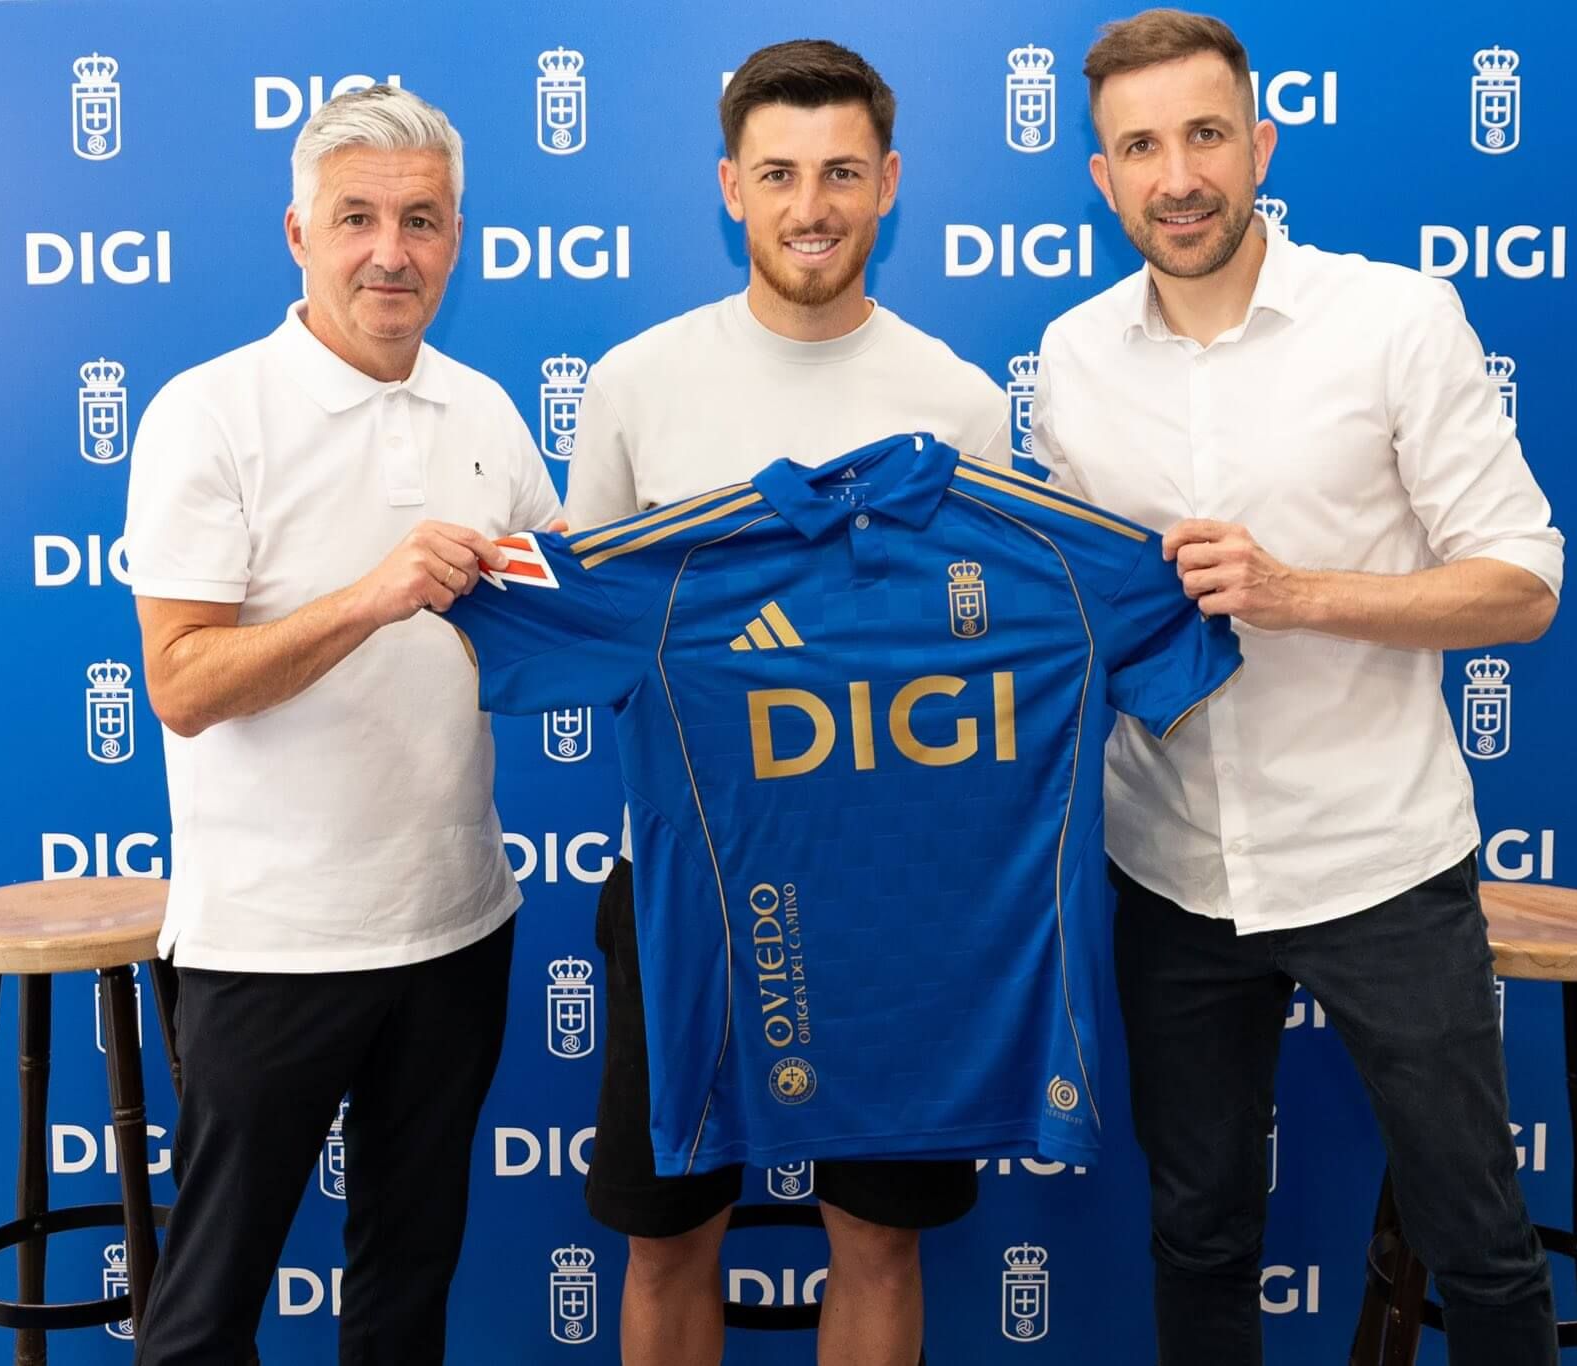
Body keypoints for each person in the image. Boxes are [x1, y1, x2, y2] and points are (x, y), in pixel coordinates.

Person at [1030, 11, 1565, 1365]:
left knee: (1480, 1241)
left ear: (1260, 143)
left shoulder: (1394, 318)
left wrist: (1299, 592)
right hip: (1169, 868)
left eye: (1206, 134)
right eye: (1140, 146)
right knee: (1199, 1230)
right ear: (1102, 178)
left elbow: (1523, 583)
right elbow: (1081, 610)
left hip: (1380, 861)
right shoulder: (1074, 357)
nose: (1178, 175)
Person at [561, 39, 1011, 1366]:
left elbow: (993, 654)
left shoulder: (960, 405)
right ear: (730, 188)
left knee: (876, 1234)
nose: (807, 203)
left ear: (887, 183)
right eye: (777, 173)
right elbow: (590, 633)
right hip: (682, 883)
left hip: (892, 899)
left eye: (836, 172)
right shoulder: (637, 384)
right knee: (666, 1233)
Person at [121, 84, 557, 1364]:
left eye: (420, 221)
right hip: (272, 940)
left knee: (403, 1292)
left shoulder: (481, 406)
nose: (391, 250)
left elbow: (559, 610)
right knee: (204, 1312)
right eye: (356, 217)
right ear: (297, 235)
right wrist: (370, 597)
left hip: (456, 922)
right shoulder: (209, 413)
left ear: (457, 240)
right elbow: (184, 684)